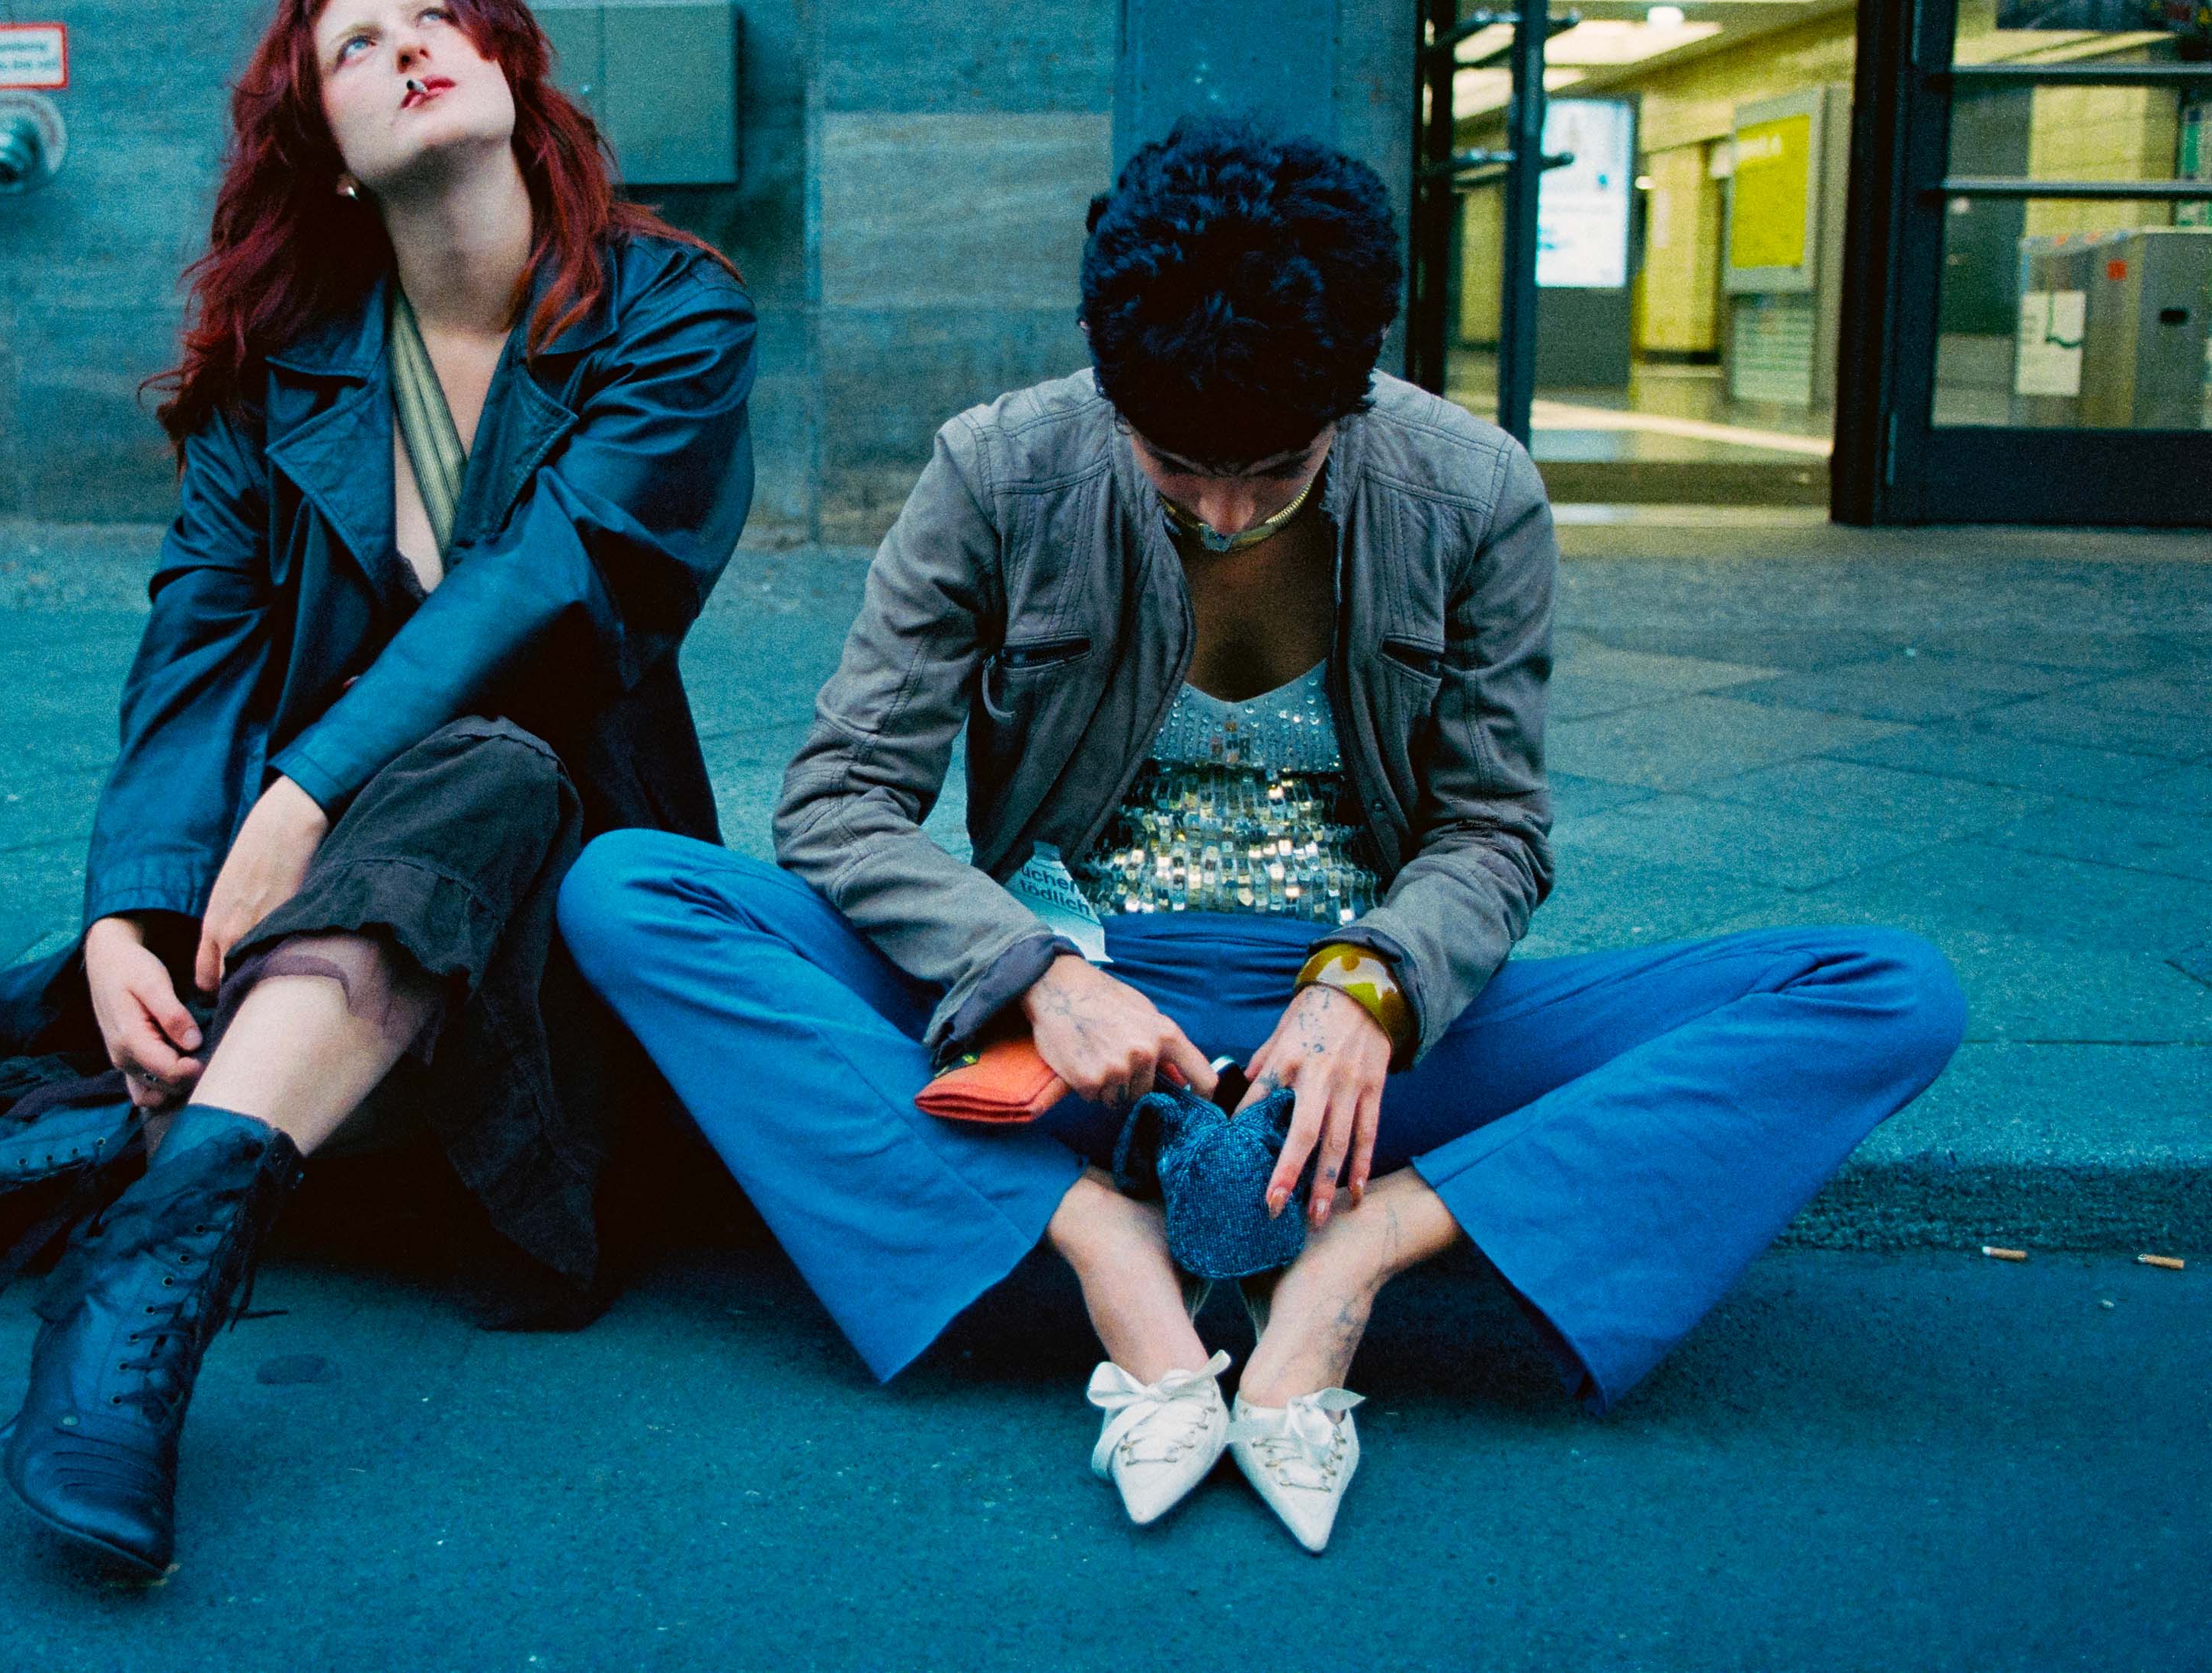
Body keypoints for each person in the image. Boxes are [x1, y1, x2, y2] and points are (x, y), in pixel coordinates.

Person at [555, 114, 1963, 1550]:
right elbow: (838, 802)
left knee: (1888, 990)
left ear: (1349, 400)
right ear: (1110, 395)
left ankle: (1362, 1245)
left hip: (1363, 1052)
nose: (1225, 513)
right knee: (627, 889)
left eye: (1274, 469)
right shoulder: (996, 468)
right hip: (1062, 1027)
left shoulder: (1472, 492)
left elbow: (1493, 828)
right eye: (1177, 468)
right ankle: (1098, 1236)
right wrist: (1038, 975)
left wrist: (1369, 990)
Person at [0, 0, 755, 1579]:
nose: (410, 50)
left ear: (510, 73)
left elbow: (551, 590)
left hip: (560, 923)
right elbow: (194, 652)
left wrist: (301, 788)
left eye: (439, 22)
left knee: (498, 769)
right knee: (230, 928)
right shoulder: (282, 383)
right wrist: (132, 906)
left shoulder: (674, 318)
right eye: (356, 48)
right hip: (318, 918)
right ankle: (104, 1203)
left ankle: (108, 1257)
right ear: (322, 156)